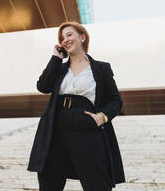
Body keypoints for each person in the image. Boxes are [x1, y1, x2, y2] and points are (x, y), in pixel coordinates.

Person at [27, 22, 125, 191]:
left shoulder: (102, 68)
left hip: (86, 122)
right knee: (49, 182)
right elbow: (43, 87)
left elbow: (116, 100)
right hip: (56, 125)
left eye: (69, 35)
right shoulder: (59, 68)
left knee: (97, 183)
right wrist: (55, 58)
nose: (65, 40)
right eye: (62, 38)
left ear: (82, 37)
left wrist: (102, 117)